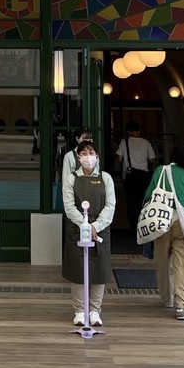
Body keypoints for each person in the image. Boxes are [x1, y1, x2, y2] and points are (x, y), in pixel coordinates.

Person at [147, 142, 184, 321]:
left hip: (161, 221)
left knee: (162, 262)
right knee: (182, 265)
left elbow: (149, 196)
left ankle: (167, 298)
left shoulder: (161, 171)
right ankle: (182, 306)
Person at [61, 138, 115, 327]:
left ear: (97, 156)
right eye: (84, 153)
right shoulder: (71, 179)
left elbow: (110, 205)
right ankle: (79, 310)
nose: (88, 157)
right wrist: (84, 224)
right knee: (78, 270)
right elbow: (69, 206)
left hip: (100, 230)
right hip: (77, 229)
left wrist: (95, 226)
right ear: (78, 157)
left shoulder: (106, 178)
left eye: (91, 153)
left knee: (99, 269)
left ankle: (94, 310)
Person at [115, 121, 157, 230]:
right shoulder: (146, 143)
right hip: (144, 176)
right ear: (138, 131)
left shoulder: (124, 142)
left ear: (129, 131)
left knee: (131, 202)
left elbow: (119, 159)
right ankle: (143, 224)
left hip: (130, 176)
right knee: (143, 200)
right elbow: (152, 159)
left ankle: (133, 226)